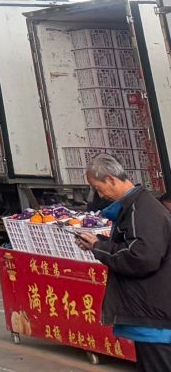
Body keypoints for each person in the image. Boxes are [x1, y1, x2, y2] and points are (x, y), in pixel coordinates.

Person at [78, 155, 171, 372]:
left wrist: (99, 248)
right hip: (151, 315)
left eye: (98, 188)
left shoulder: (142, 209)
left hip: (154, 316)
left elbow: (141, 258)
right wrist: (99, 243)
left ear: (111, 179)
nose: (100, 195)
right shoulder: (137, 206)